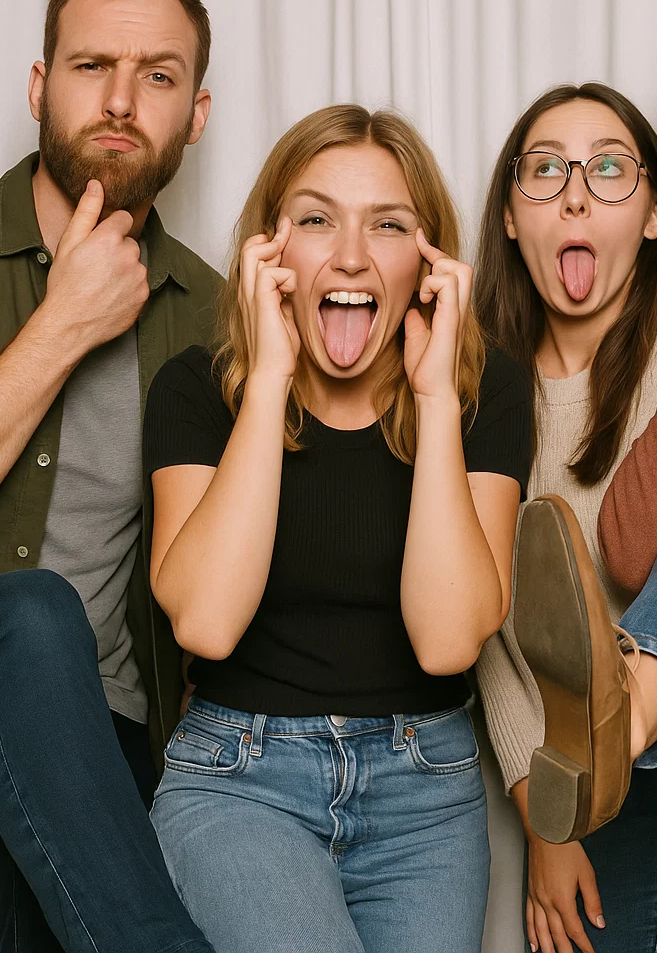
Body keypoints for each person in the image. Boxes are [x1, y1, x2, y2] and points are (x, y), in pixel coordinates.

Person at [143, 104, 532, 953]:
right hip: (237, 781)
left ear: (427, 259)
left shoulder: (484, 393)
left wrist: (434, 401)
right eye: (316, 219)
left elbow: (449, 641)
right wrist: (270, 378)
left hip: (426, 793)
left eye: (387, 225)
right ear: (269, 252)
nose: (351, 255)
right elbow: (205, 622)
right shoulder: (194, 390)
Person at [0, 0, 220, 953]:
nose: (124, 100)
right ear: (41, 87)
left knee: (77, 774)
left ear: (198, 113)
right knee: (33, 614)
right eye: (94, 66)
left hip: (104, 722)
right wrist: (62, 325)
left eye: (160, 75)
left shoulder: (216, 317)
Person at [473, 82, 657, 953]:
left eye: (608, 169)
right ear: (510, 220)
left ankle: (626, 715)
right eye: (544, 171)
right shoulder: (482, 389)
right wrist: (544, 821)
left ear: (652, 215)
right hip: (609, 770)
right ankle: (612, 736)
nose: (573, 192)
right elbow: (489, 633)